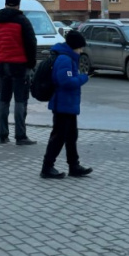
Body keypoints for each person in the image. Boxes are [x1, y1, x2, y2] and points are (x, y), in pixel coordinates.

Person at [0, 0, 38, 145]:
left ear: (6, 3)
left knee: (4, 100)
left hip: (2, 65)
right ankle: (20, 136)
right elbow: (31, 43)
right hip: (20, 65)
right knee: (20, 101)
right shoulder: (22, 21)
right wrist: (31, 63)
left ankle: (2, 134)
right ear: (18, 5)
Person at [40, 31, 93, 179]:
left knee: (71, 137)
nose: (81, 51)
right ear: (75, 46)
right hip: (62, 106)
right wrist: (83, 78)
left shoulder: (69, 58)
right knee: (58, 137)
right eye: (80, 48)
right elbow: (66, 82)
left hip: (68, 105)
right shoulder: (64, 59)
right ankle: (47, 167)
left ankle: (74, 166)